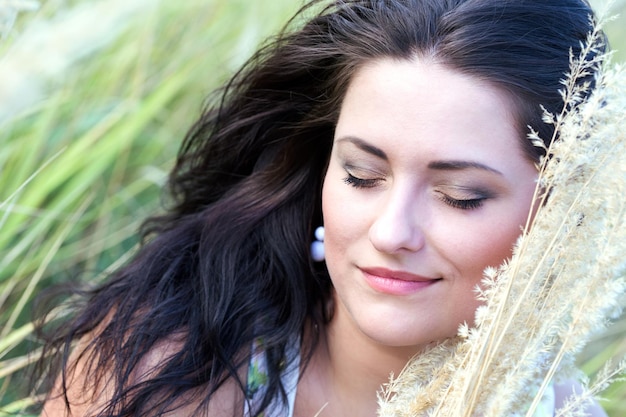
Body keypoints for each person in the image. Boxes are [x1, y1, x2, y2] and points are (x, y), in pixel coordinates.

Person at [38, 0, 610, 416]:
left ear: (559, 214)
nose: (391, 232)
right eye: (362, 176)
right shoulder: (172, 363)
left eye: (460, 196)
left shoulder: (557, 409)